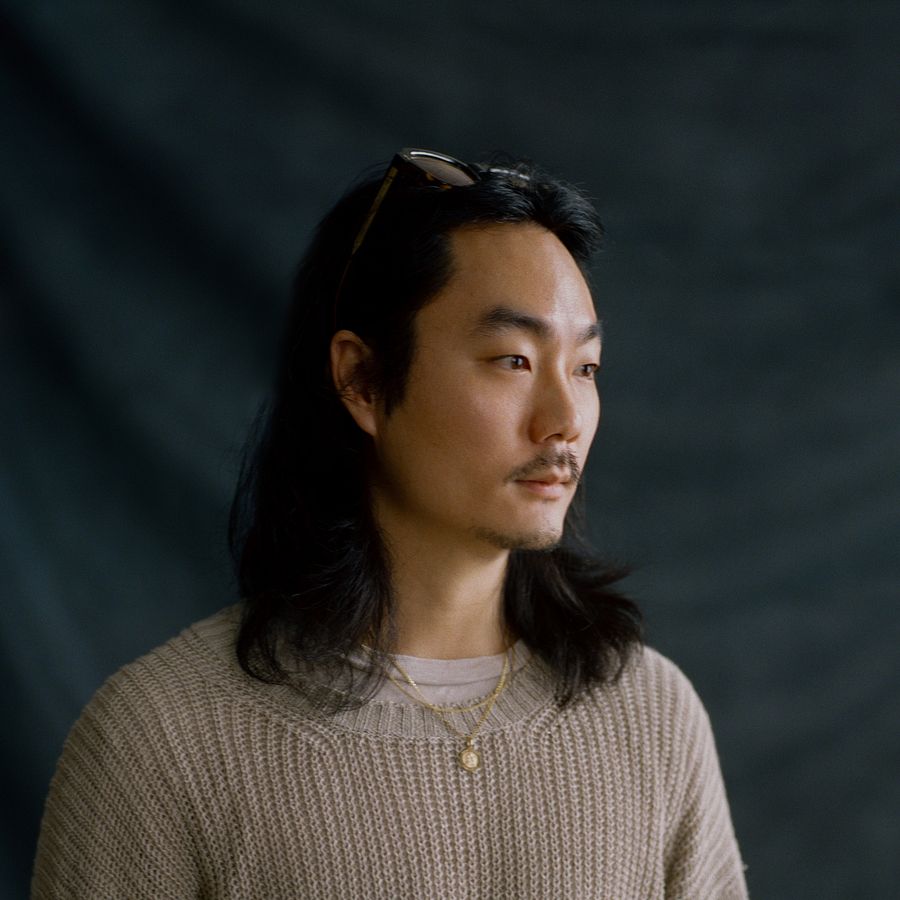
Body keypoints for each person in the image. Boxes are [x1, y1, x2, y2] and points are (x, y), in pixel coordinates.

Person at [32, 149, 748, 898]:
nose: (564, 419)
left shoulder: (650, 716)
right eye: (512, 360)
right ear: (362, 381)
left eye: (585, 368)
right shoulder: (160, 740)